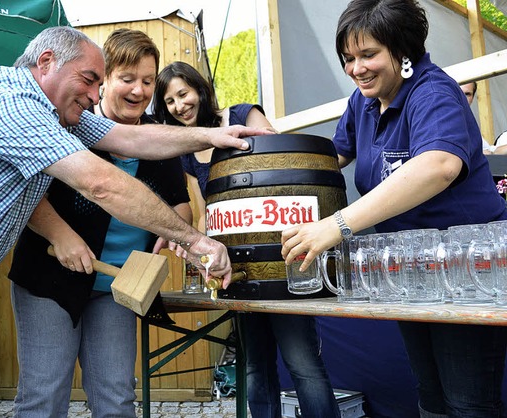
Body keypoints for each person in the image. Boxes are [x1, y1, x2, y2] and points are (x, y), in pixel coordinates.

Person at [0, 26, 269, 417]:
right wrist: (197, 241)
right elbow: (101, 184)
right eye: (91, 80)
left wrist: (210, 137)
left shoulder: (59, 113)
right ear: (45, 63)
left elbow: (130, 139)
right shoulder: (10, 105)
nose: (95, 95)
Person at [281, 1, 507, 417]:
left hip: (467, 269)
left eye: (368, 55)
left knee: (468, 402)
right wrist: (270, 169)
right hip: (408, 267)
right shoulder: (363, 102)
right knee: (432, 394)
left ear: (403, 51)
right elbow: (335, 157)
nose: (355, 69)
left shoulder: (434, 93)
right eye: (348, 58)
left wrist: (337, 225)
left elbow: (438, 166)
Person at [8, 28, 191, 418]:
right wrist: (61, 234)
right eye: (127, 79)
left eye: (147, 81)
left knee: (116, 400)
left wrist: (169, 230)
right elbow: (30, 193)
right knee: (44, 397)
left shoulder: (160, 140)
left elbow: (180, 205)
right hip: (50, 280)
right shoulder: (71, 126)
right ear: (102, 79)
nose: (139, 91)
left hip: (117, 289)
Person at [152, 61, 340, 418]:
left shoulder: (241, 114)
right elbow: (206, 207)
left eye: (183, 93)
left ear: (200, 89)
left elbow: (283, 163)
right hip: (239, 266)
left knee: (303, 364)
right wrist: (205, 253)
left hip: (283, 259)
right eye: (170, 101)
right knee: (254, 365)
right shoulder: (188, 151)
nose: (179, 105)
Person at [461, 81, 507, 155]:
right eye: (457, 91)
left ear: (472, 98)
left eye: (467, 94)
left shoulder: (469, 127)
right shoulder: (438, 121)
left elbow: (490, 151)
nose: (462, 98)